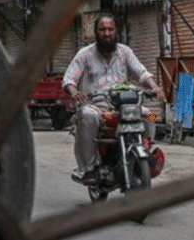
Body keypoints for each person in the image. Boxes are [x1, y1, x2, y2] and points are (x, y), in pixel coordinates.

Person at [62, 14, 164, 184]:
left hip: (123, 106)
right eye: (102, 29)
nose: (107, 33)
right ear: (96, 32)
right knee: (88, 117)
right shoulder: (84, 54)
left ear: (116, 32)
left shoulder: (125, 52)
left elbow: (141, 73)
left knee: (150, 116)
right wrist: (74, 92)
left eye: (110, 29)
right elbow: (69, 79)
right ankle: (88, 169)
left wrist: (154, 87)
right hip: (95, 106)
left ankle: (145, 150)